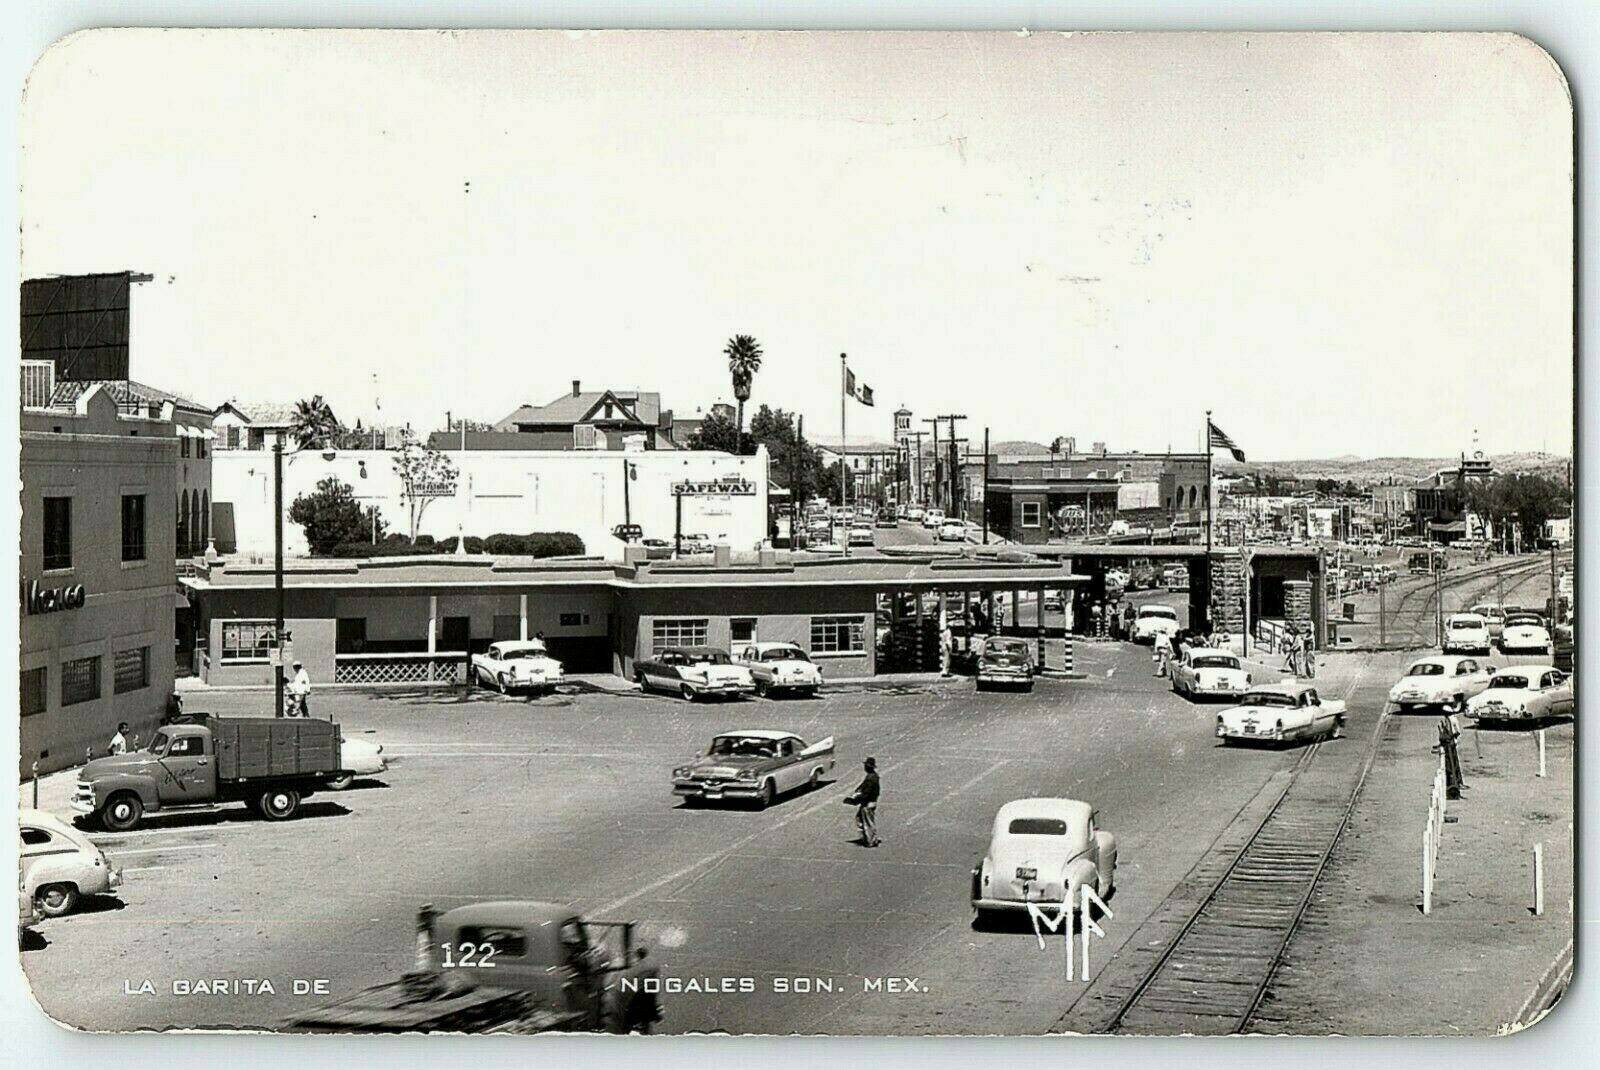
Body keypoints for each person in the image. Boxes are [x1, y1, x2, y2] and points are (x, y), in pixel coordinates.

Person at [844, 757, 882, 847]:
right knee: (860, 818)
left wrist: (856, 797)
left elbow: (866, 793)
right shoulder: (874, 776)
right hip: (872, 801)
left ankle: (870, 841)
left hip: (868, 803)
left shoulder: (870, 778)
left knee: (868, 822)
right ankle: (868, 838)